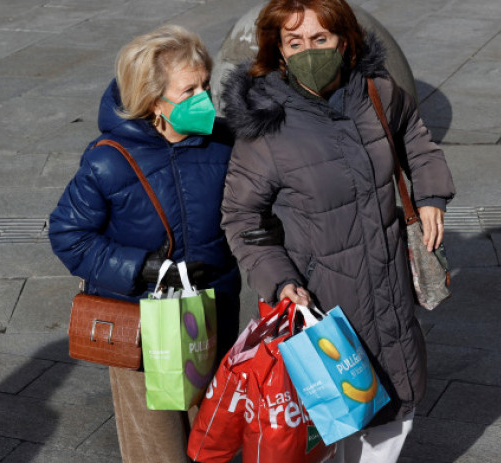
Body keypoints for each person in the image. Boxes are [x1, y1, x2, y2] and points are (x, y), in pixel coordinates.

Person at [220, 0, 456, 461]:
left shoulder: (377, 93)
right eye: (295, 42)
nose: (309, 50)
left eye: (320, 38)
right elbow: (241, 218)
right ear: (280, 51)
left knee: (396, 414)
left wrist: (429, 197)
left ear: (344, 41)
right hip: (324, 304)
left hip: (389, 290)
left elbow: (415, 138)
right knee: (331, 428)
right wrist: (280, 279)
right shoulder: (267, 127)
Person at [49, 25, 246, 462]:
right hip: (142, 327)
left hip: (213, 315)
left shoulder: (223, 144)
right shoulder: (107, 160)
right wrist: (140, 268)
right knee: (157, 451)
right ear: (153, 100)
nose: (204, 99)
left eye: (205, 85)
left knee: (214, 444)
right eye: (189, 90)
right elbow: (69, 235)